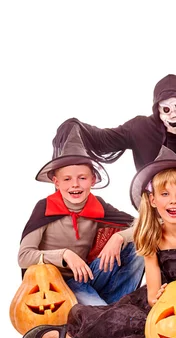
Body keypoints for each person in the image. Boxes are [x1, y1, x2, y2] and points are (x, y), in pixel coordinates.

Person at [20, 146, 176, 338]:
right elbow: (152, 293)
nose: (173, 201)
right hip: (165, 301)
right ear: (152, 200)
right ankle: (67, 336)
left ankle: (82, 332)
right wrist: (158, 298)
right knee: (133, 323)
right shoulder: (151, 233)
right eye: (164, 194)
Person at [51, 74, 176, 257]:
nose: (172, 114)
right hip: (163, 219)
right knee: (169, 280)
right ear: (157, 109)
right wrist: (74, 127)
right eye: (165, 109)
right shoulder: (140, 129)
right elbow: (103, 139)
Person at [18, 126, 144, 306]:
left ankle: (118, 304)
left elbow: (145, 224)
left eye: (82, 178)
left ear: (93, 180)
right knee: (97, 313)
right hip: (59, 286)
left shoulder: (97, 205)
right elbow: (24, 256)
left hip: (90, 275)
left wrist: (119, 237)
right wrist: (65, 255)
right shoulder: (45, 207)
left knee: (140, 242)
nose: (75, 185)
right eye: (67, 179)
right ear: (56, 182)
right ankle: (105, 310)